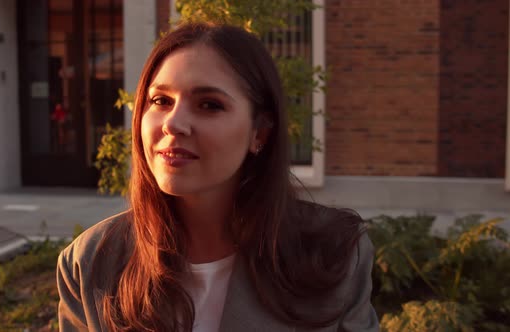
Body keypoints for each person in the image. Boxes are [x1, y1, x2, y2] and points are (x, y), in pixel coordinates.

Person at [57, 22, 379, 332]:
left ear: (260, 133)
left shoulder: (335, 255)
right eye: (160, 101)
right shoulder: (89, 265)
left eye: (209, 105)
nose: (173, 123)